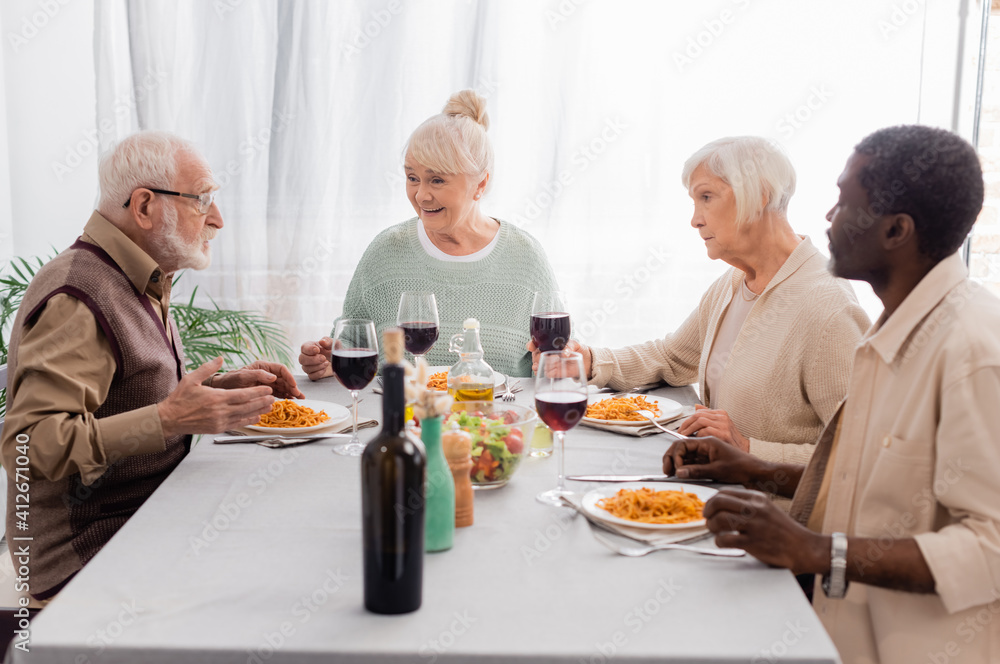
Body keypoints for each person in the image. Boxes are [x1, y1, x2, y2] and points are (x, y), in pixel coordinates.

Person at [664, 125, 1000, 664]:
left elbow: (991, 549)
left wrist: (816, 550)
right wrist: (750, 468)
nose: (826, 218)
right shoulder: (889, 336)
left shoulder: (973, 351)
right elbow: (861, 487)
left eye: (845, 203)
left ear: (895, 230)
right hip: (839, 637)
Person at [0, 130, 303, 602]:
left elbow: (125, 396)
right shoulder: (77, 298)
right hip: (89, 554)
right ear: (144, 207)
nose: (217, 220)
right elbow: (27, 445)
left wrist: (220, 392)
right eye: (201, 200)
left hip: (151, 511)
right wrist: (168, 420)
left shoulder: (138, 275)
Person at [532, 137, 869, 466]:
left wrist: (748, 449)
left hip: (768, 515)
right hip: (715, 494)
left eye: (706, 197)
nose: (695, 219)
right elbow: (673, 356)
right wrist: (589, 360)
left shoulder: (828, 308)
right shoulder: (732, 284)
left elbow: (860, 459)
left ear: (760, 194)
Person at [300, 90, 559, 379]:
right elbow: (352, 343)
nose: (421, 195)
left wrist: (552, 365)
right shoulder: (386, 250)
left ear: (480, 184)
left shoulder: (525, 257)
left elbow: (555, 359)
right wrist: (328, 360)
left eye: (437, 180)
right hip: (401, 421)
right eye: (412, 178)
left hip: (494, 421)